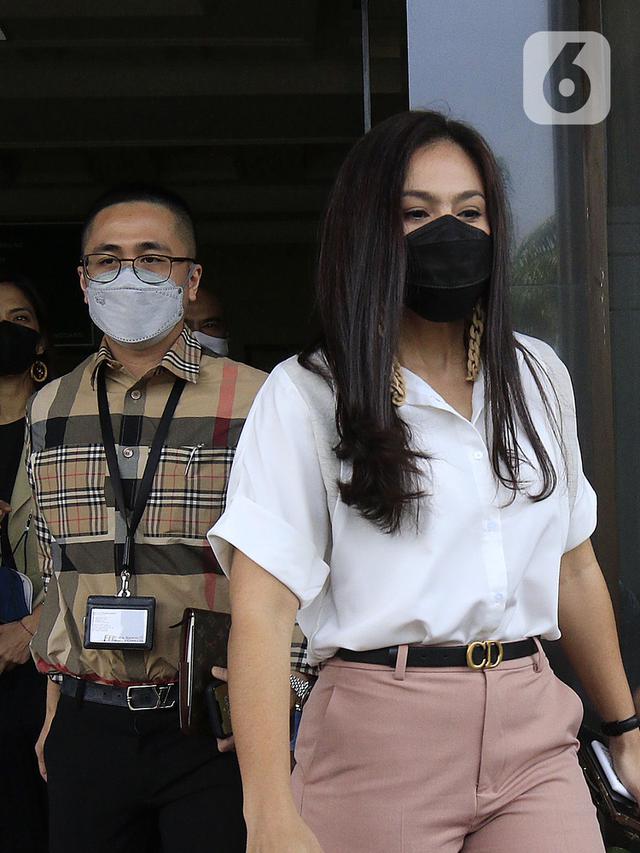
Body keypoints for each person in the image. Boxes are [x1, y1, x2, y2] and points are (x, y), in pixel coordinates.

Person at [208, 110, 640, 853]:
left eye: (469, 212)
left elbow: (575, 564)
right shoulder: (309, 393)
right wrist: (268, 808)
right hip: (378, 733)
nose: (450, 231)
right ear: (367, 230)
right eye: (417, 212)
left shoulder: (537, 376)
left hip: (531, 724)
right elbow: (263, 611)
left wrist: (627, 730)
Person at [25, 185, 274, 853]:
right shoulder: (50, 407)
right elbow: (55, 568)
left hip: (210, 724)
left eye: (151, 257)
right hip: (87, 721)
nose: (126, 274)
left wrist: (282, 703)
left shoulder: (260, 400)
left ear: (191, 280)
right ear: (83, 282)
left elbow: (295, 571)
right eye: (107, 259)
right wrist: (54, 706)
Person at [0, 272, 51, 853]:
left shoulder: (66, 414)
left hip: (42, 652)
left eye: (20, 320)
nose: (5, 331)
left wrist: (27, 631)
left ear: (40, 341)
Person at [185, 283, 229, 356]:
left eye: (209, 325)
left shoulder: (242, 368)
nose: (196, 337)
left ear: (226, 333)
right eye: (184, 325)